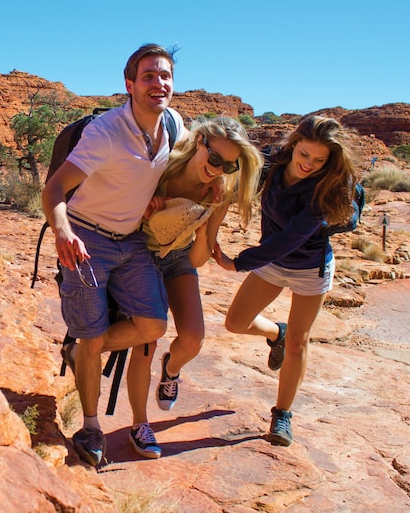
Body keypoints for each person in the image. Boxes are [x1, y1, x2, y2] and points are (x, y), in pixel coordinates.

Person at [42, 43, 188, 465]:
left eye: (165, 76)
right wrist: (63, 233)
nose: (158, 83)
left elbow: (175, 170)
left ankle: (84, 350)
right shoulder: (105, 133)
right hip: (87, 241)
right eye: (148, 76)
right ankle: (90, 427)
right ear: (129, 84)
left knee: (152, 325)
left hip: (133, 241)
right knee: (91, 336)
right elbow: (53, 189)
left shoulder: (174, 124)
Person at [211, 115, 360, 446]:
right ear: (294, 144)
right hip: (273, 263)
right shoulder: (273, 162)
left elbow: (290, 238)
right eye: (304, 154)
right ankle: (276, 332)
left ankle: (283, 414)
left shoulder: (328, 186)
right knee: (235, 323)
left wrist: (238, 263)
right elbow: (233, 181)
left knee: (299, 342)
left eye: (320, 160)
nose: (309, 164)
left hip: (309, 267)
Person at [143, 116, 263, 412]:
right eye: (214, 157)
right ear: (200, 142)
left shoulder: (216, 196)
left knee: (193, 338)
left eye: (228, 166)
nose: (218, 169)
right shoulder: (163, 165)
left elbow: (199, 258)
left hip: (179, 258)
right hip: (140, 253)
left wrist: (200, 230)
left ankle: (171, 370)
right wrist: (148, 205)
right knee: (144, 337)